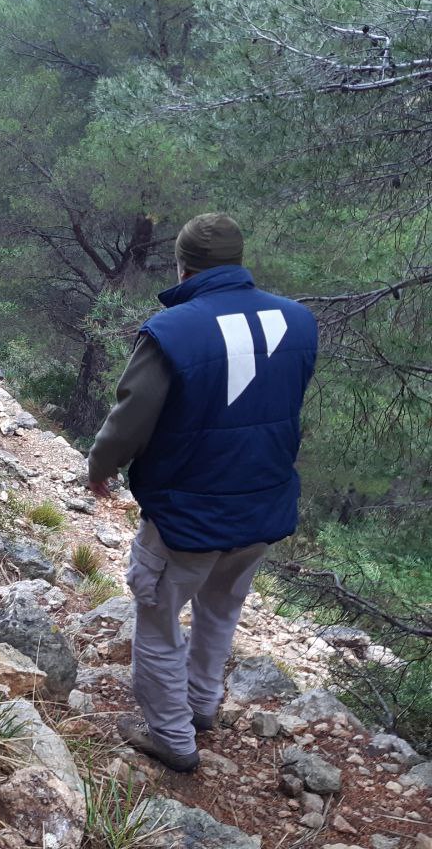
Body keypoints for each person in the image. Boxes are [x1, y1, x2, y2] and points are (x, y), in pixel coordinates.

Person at [86, 213, 318, 772]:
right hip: (262, 504)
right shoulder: (299, 322)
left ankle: (172, 737)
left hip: (187, 512)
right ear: (239, 261)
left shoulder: (173, 329)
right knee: (221, 608)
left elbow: (130, 419)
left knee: (161, 619)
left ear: (181, 264)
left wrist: (101, 467)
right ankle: (202, 705)